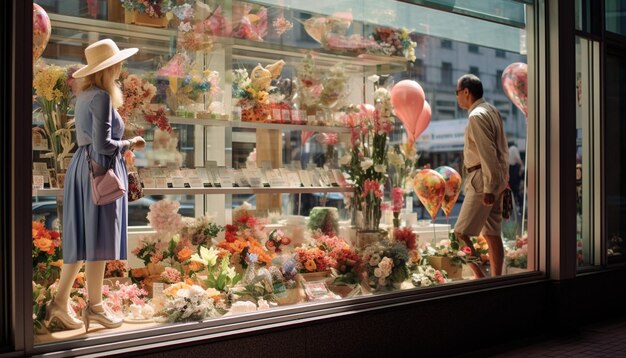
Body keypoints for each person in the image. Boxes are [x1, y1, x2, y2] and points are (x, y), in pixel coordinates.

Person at [44, 39, 145, 332]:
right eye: (118, 64)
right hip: (99, 172)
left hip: (84, 168)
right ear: (110, 67)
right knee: (98, 239)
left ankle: (60, 302)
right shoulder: (101, 96)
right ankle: (96, 307)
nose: (121, 68)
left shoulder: (85, 95)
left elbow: (92, 141)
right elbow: (103, 143)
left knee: (83, 239)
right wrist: (131, 142)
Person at [453, 74, 509, 278]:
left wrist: (489, 188)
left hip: (482, 180)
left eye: (457, 92)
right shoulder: (492, 110)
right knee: (492, 233)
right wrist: (499, 182)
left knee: (459, 235)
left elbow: (487, 152)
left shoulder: (476, 115)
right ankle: (496, 279)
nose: (457, 97)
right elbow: (501, 150)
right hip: (494, 179)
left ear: (466, 92)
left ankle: (480, 277)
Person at [508, 140, 524, 217]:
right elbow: (518, 159)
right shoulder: (514, 148)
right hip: (514, 170)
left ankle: (515, 206)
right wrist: (521, 168)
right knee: (516, 190)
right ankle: (519, 205)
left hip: (510, 171)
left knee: (513, 191)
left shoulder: (508, 150)